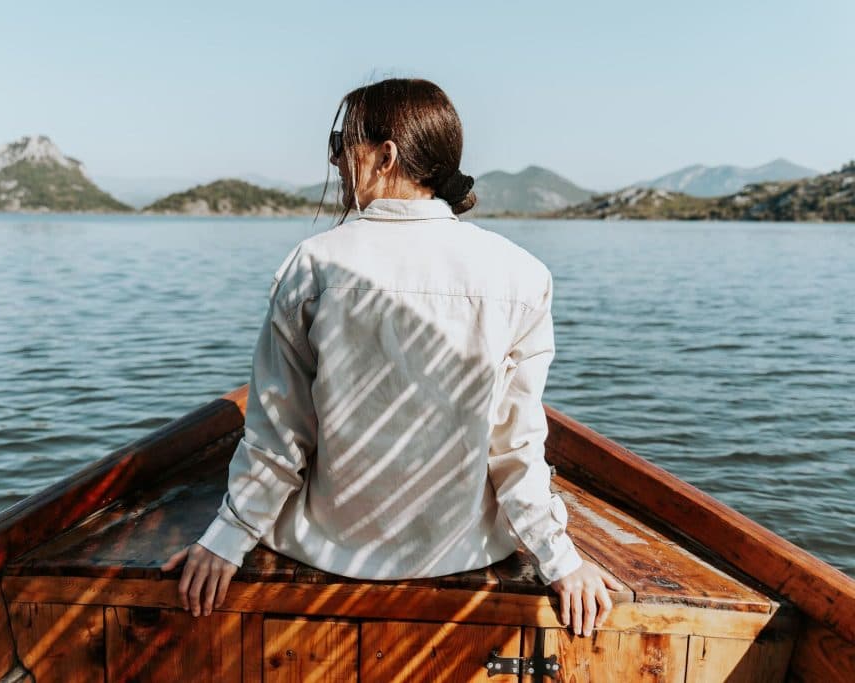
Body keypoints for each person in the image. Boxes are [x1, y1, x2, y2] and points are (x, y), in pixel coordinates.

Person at [162, 77, 623, 637]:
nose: (334, 159)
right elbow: (515, 442)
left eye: (341, 142)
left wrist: (226, 539)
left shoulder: (313, 265)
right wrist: (561, 560)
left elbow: (280, 436)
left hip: (325, 547)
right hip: (465, 550)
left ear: (386, 156)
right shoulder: (521, 274)